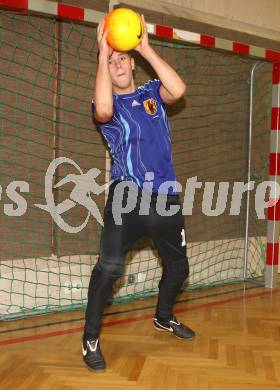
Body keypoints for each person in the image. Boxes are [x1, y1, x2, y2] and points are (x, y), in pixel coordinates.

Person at [82, 14, 195, 372]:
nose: (117, 64)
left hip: (166, 197)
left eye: (121, 58)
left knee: (179, 267)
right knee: (110, 267)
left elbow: (178, 90)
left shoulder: (151, 93)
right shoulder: (108, 103)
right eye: (111, 60)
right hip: (127, 198)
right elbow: (101, 110)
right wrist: (103, 54)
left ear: (132, 62)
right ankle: (90, 339)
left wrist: (144, 46)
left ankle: (163, 317)